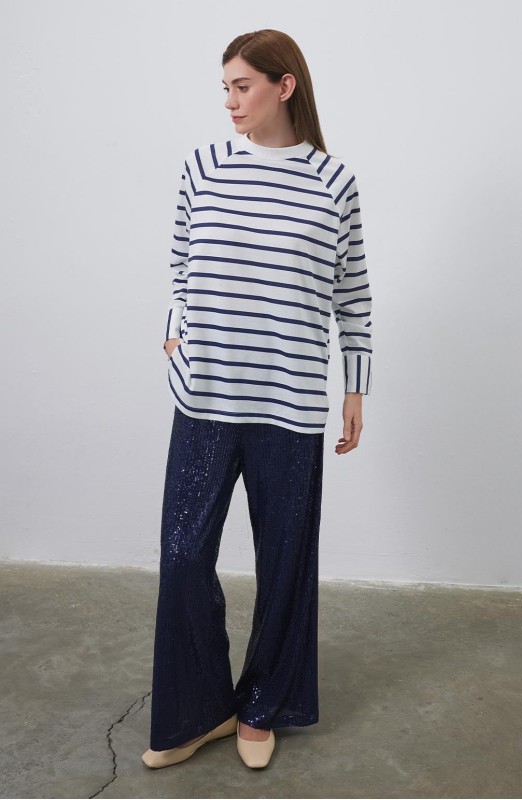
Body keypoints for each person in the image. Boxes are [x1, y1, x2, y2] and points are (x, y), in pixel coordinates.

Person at [141, 27, 373, 771]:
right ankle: (199, 710)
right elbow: (180, 269)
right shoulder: (203, 168)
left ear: (284, 86)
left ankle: (262, 706)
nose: (231, 102)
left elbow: (353, 297)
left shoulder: (333, 183)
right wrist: (173, 333)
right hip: (206, 398)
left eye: (242, 87)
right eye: (226, 88)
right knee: (183, 556)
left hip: (290, 404)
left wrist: (355, 389)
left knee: (284, 564)